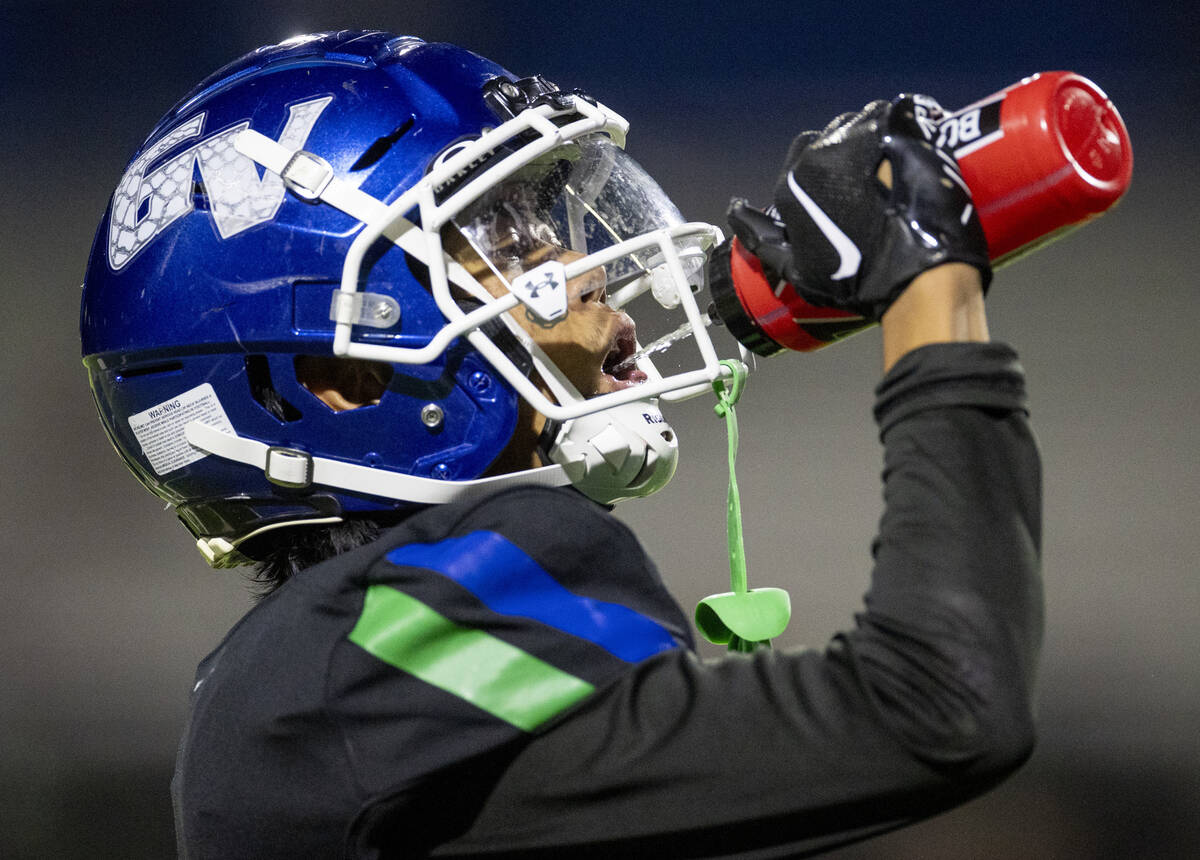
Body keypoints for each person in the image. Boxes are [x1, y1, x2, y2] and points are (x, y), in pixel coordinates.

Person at [80, 30, 1041, 858]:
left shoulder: (316, 679)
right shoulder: (378, 644)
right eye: (506, 243)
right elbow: (933, 708)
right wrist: (930, 287)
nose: (585, 276)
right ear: (346, 379)